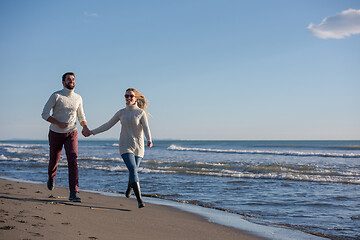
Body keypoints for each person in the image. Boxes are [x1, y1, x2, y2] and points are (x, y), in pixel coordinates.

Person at [86, 88, 152, 208]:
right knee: (132, 168)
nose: (128, 98)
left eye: (131, 96)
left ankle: (129, 186)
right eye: (126, 96)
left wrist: (149, 140)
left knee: (134, 171)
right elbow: (108, 125)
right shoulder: (121, 112)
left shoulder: (140, 113)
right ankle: (139, 200)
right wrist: (92, 132)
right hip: (125, 145)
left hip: (139, 147)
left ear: (135, 98)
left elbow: (146, 128)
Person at [41, 72, 91, 202]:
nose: (71, 81)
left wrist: (84, 126)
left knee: (73, 160)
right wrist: (58, 123)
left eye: (73, 79)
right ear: (63, 82)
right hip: (55, 133)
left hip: (72, 132)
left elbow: (81, 116)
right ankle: (51, 177)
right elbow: (44, 114)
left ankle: (73, 192)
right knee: (54, 159)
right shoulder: (56, 96)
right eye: (68, 79)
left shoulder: (78, 98)